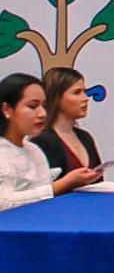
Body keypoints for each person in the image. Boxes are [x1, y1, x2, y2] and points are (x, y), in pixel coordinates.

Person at [1, 72, 100, 211]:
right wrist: (62, 185)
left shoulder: (33, 150)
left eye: (44, 106)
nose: (42, 114)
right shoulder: (4, 153)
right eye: (32, 106)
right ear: (7, 109)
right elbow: (4, 203)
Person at [33, 67, 104, 177]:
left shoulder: (85, 137)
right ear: (57, 97)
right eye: (77, 93)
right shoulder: (42, 141)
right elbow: (42, 184)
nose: (86, 98)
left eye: (84, 92)